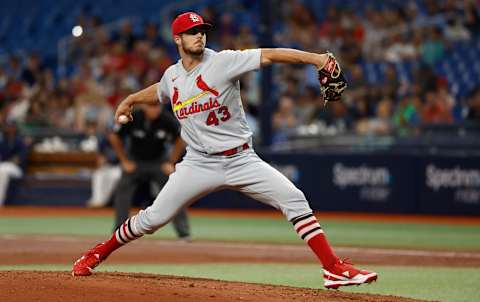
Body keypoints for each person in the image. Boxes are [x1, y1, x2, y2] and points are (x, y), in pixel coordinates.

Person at [72, 12, 377, 289]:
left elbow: (270, 55)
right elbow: (161, 91)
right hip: (198, 163)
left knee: (294, 198)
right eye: (192, 32)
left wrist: (316, 59)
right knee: (152, 219)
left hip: (242, 159)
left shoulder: (223, 61)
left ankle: (332, 268)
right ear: (177, 39)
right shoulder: (172, 75)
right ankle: (98, 252)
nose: (200, 36)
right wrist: (131, 99)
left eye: (202, 30)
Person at [109, 102, 190, 239]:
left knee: (175, 191)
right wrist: (124, 160)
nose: (155, 110)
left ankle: (183, 232)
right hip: (135, 160)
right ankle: (118, 233)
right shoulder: (133, 117)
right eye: (151, 106)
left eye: (157, 107)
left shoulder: (167, 119)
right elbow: (114, 136)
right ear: (144, 107)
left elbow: (180, 139)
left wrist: (171, 162)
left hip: (158, 162)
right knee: (123, 190)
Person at [0, 121, 28, 206]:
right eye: (6, 126)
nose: (8, 128)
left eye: (10, 126)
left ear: (14, 128)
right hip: (4, 166)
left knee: (2, 172)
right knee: (2, 171)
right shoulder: (3, 141)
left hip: (17, 169)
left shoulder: (20, 141)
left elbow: (18, 159)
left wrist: (8, 161)